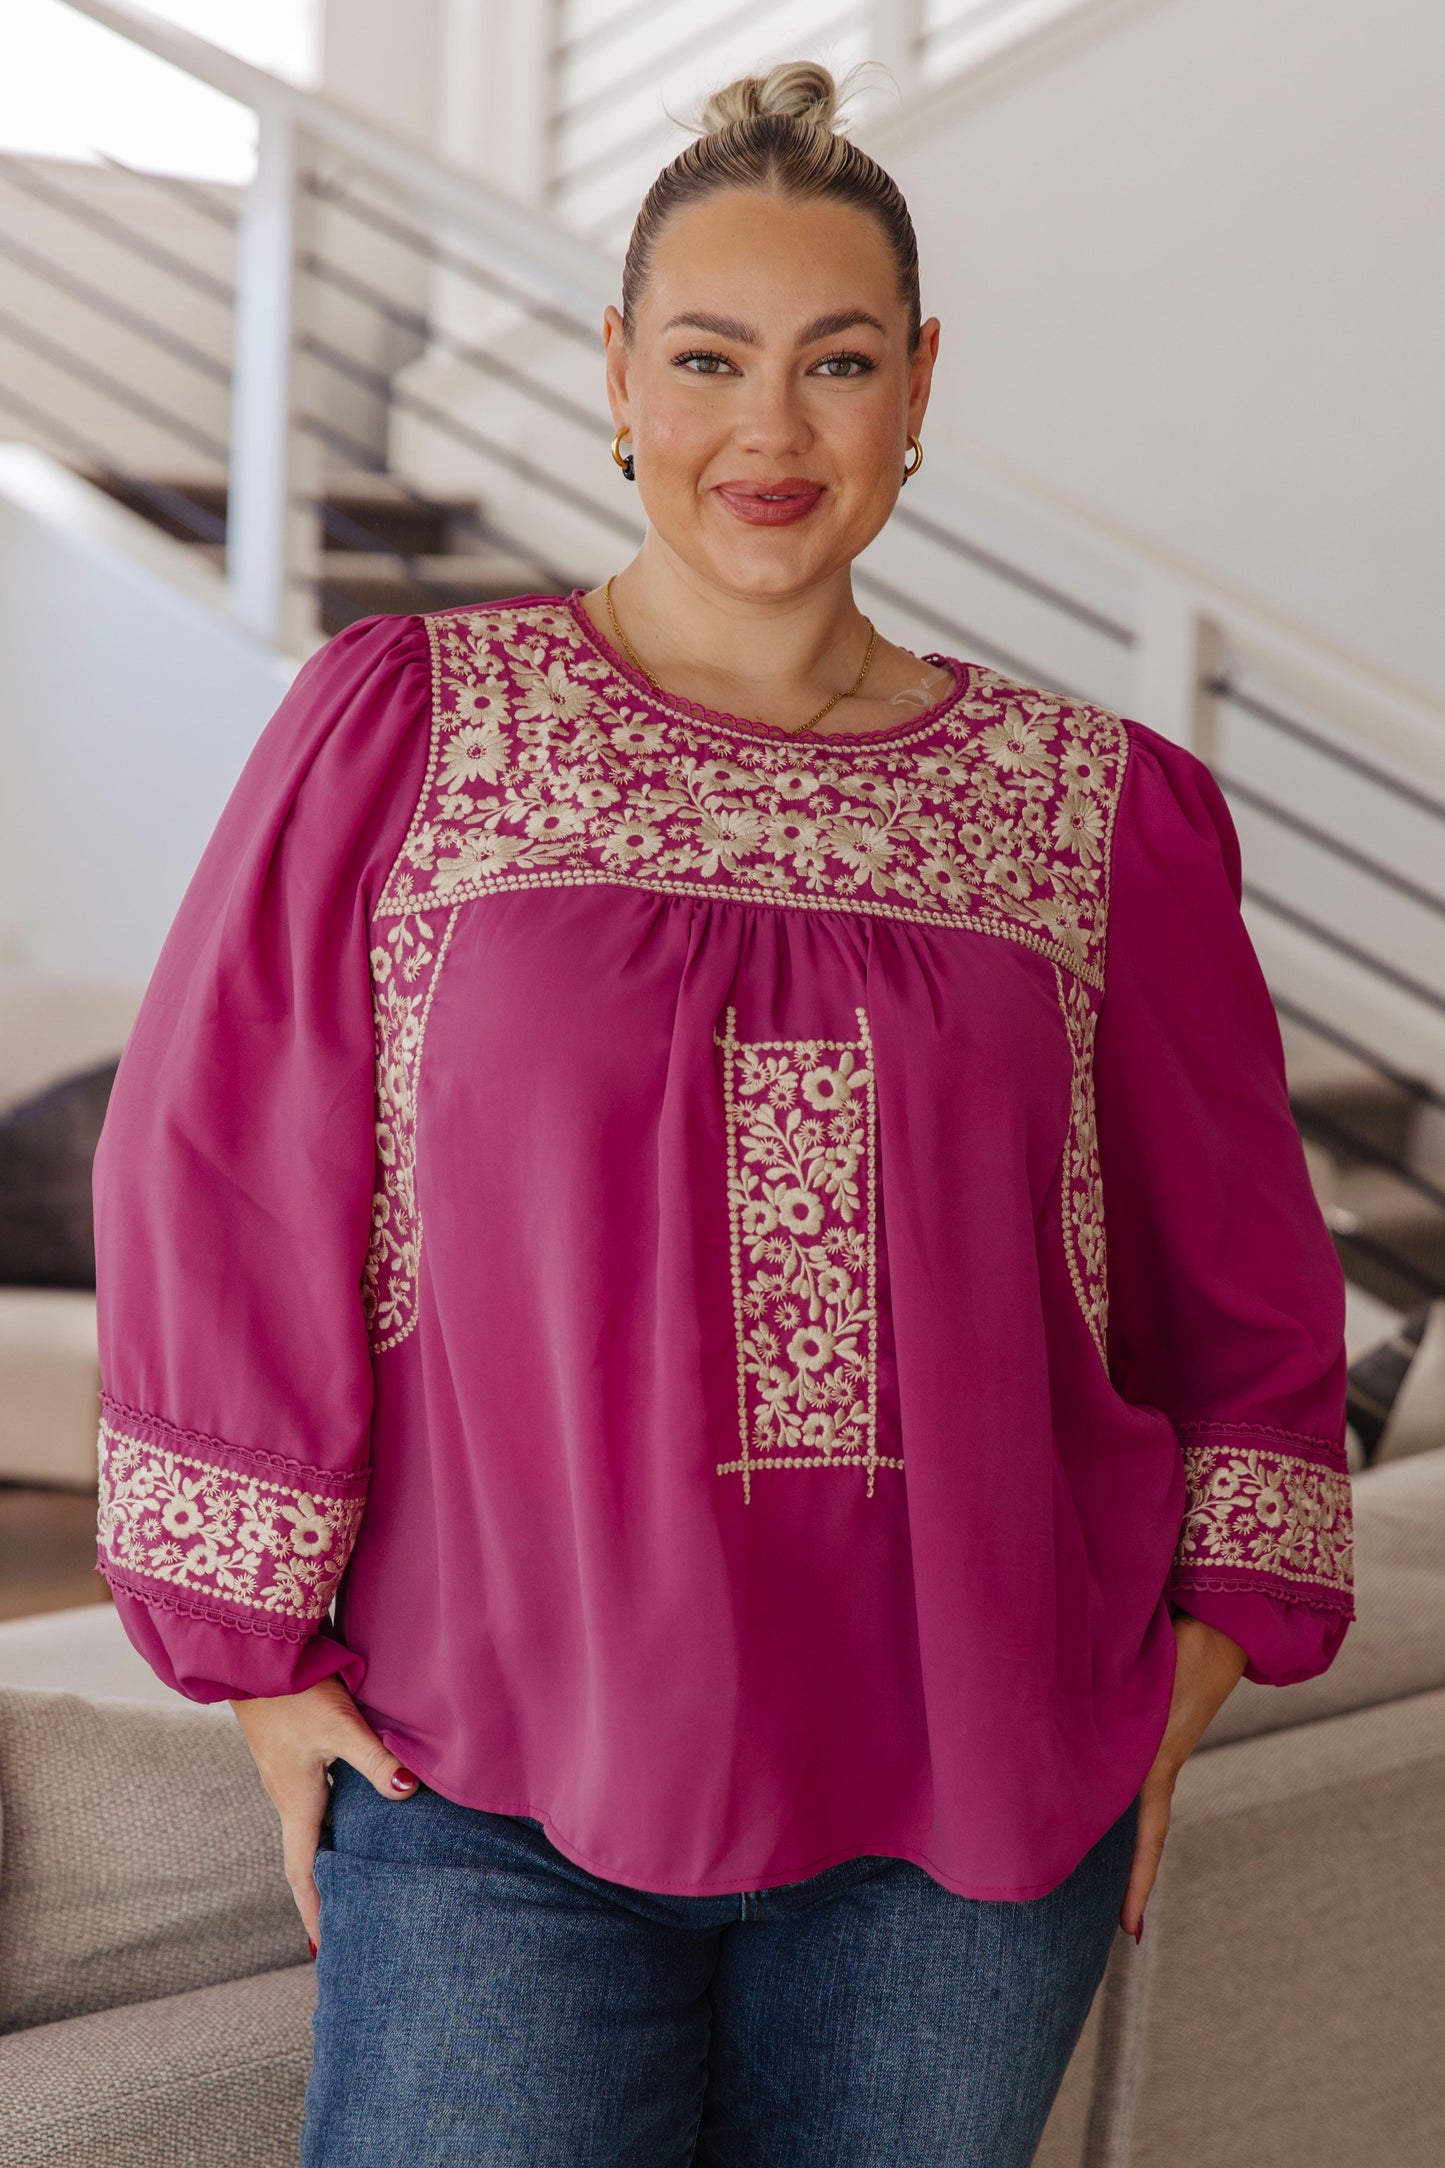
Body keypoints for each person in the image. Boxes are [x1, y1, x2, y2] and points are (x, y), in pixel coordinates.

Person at [92, 60, 1354, 2167]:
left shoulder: (1092, 813)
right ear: (617, 371)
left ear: (920, 383)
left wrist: (1199, 1657)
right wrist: (246, 1659)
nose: (768, 432)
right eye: (708, 358)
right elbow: (218, 1170)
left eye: (837, 362)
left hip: (967, 1832)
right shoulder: (405, 734)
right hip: (485, 1789)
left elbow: (1236, 1266)